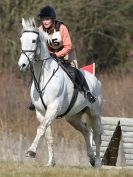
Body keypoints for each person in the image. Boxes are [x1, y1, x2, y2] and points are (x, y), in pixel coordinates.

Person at [29, 5, 96, 110]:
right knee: (38, 72)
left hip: (67, 54)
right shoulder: (40, 30)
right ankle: (35, 100)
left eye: (47, 19)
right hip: (50, 55)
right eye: (43, 19)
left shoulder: (61, 28)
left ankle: (87, 92)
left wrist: (57, 54)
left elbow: (68, 45)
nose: (45, 22)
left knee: (74, 71)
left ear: (52, 19)